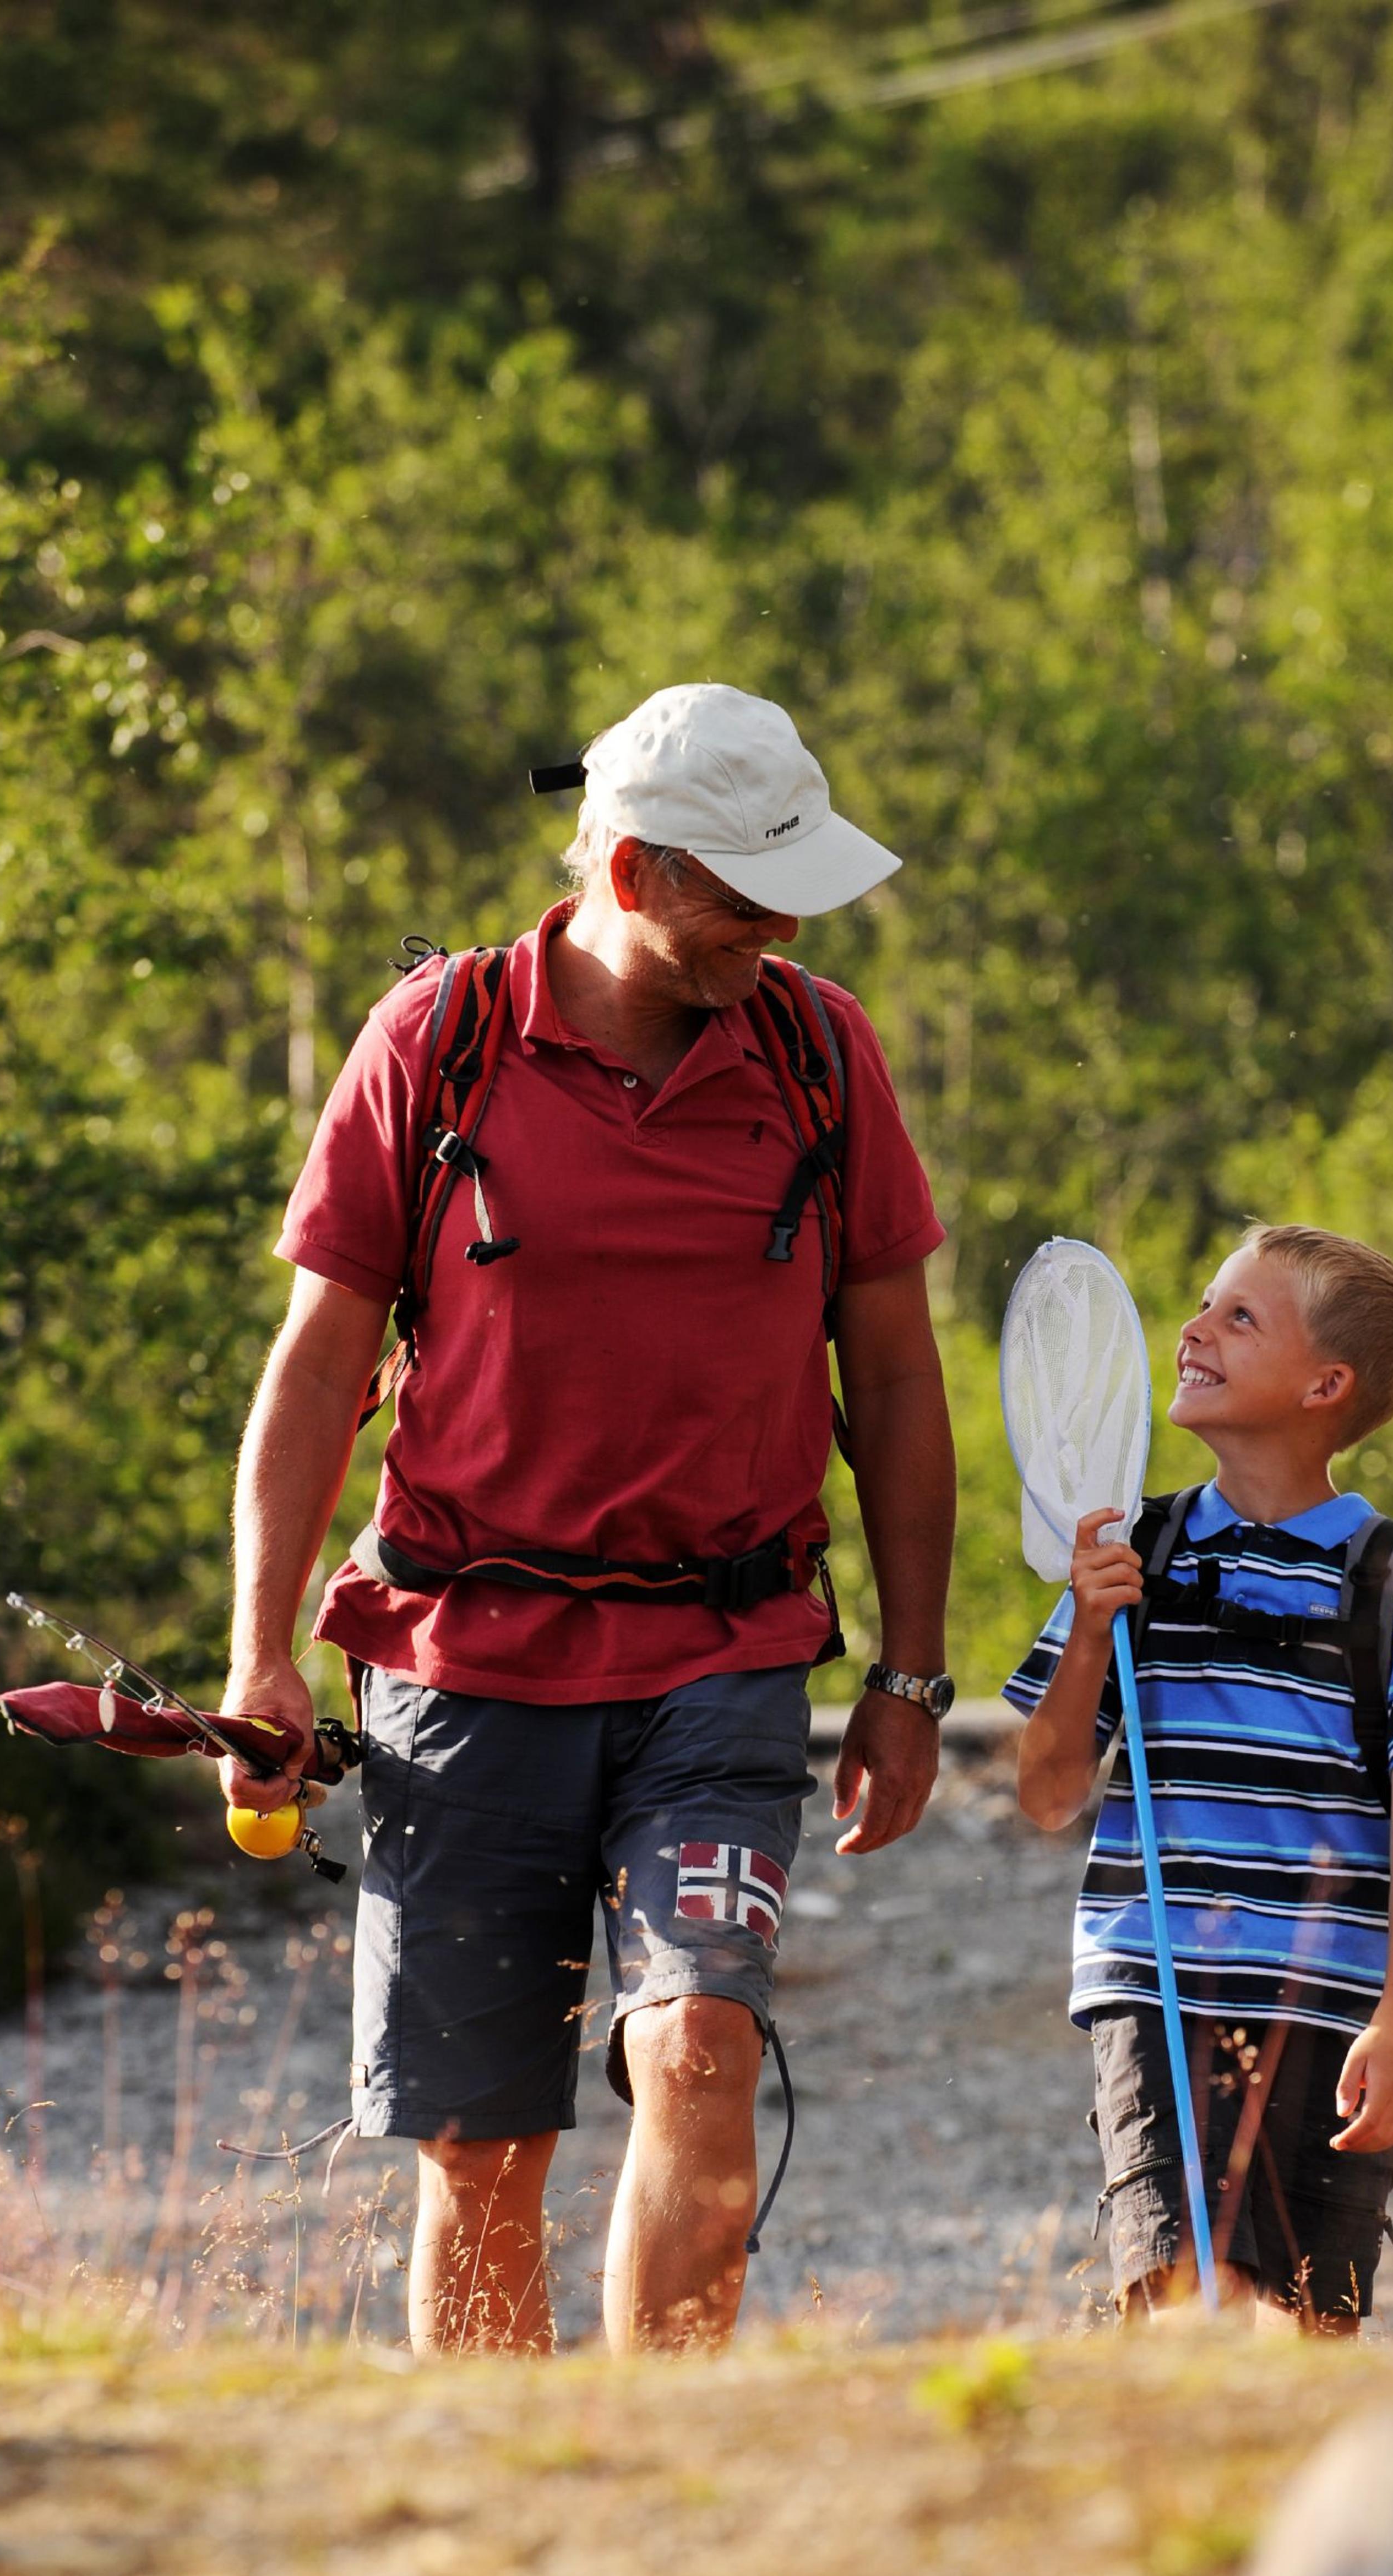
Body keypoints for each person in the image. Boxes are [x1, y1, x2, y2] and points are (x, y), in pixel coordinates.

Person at [220, 684, 957, 2356]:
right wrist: (261, 1656)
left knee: (698, 2051)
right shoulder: (437, 1043)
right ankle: (511, 2507)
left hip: (725, 1654)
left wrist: (911, 1679)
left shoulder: (822, 1052)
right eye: (746, 897)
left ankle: (662, 2473)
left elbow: (899, 1381)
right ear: (632, 870)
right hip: (459, 1666)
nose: (780, 932)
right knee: (486, 2147)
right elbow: (319, 1364)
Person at [1008, 1223, 1393, 2333]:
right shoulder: (1134, 1549)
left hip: (1328, 2001)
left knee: (1310, 2324)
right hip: (1159, 1988)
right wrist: (1092, 1625)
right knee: (1182, 2288)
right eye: (1204, 1303)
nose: (1194, 1331)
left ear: (1326, 1384)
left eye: (1241, 1317)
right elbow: (1046, 1794)